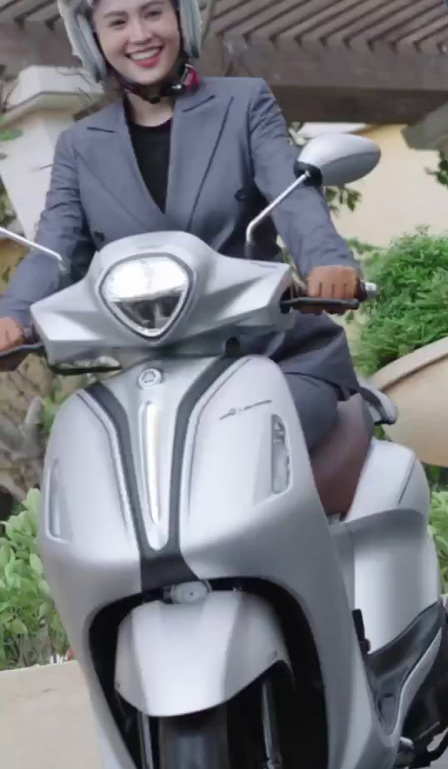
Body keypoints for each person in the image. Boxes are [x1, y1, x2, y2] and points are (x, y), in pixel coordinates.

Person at [0, 0, 363, 448]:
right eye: (117, 22)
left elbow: (290, 193)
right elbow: (54, 250)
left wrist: (326, 262)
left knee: (240, 448)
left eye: (153, 13)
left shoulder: (244, 103)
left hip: (272, 356)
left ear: (182, 19)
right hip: (156, 375)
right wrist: (12, 316)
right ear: (94, 41)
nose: (139, 34)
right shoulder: (80, 148)